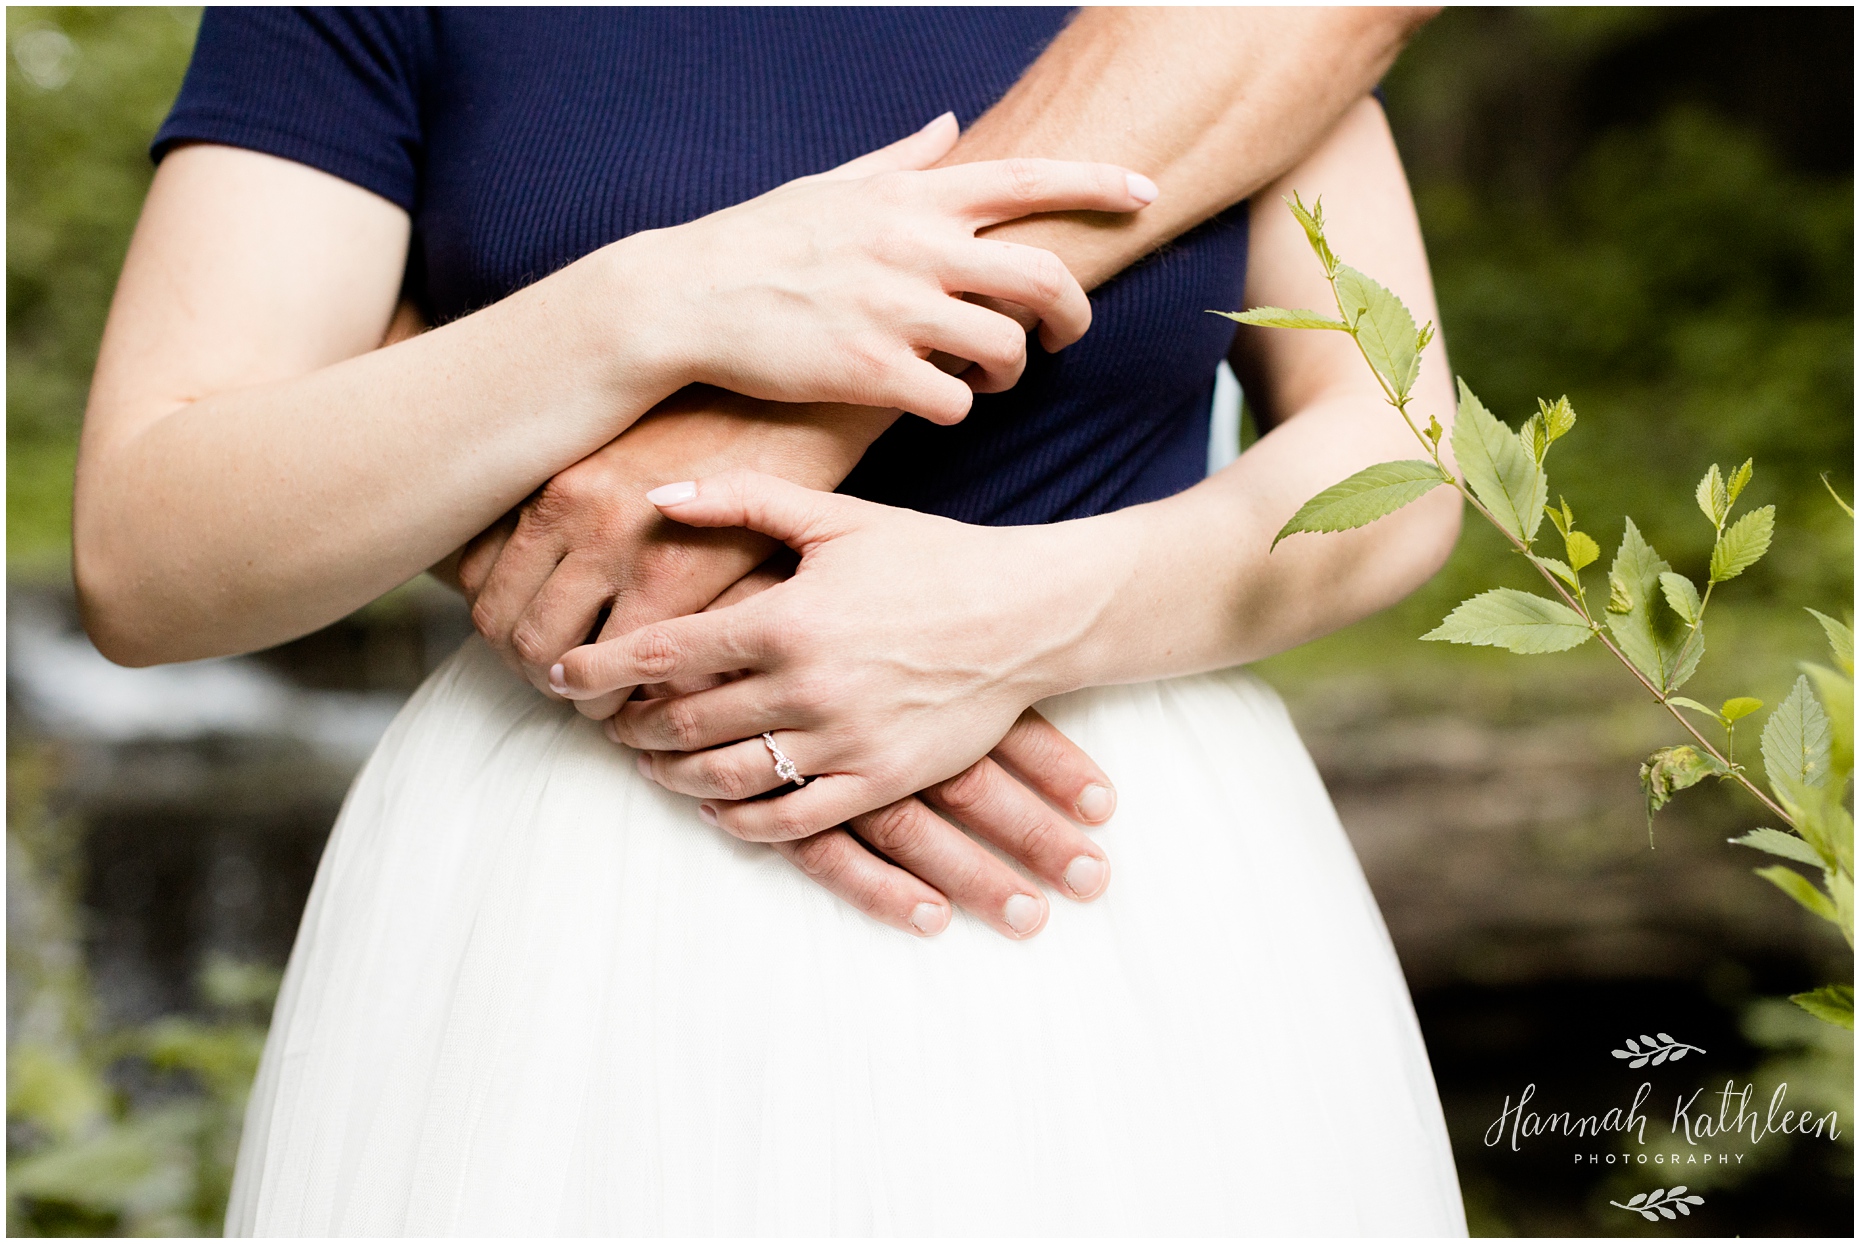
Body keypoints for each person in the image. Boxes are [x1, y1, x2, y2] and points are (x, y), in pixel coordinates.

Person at [75, 7, 1465, 1234]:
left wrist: (1037, 614)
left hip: (1111, 875)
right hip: (575, 921)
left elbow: (1395, 463)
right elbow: (153, 550)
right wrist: (646, 305)